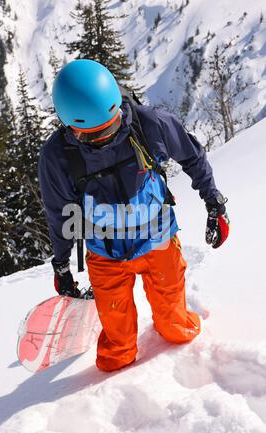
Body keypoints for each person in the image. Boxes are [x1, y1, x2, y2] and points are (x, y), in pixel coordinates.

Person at [38, 59, 230, 372]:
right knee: (117, 354)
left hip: (158, 241)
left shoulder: (150, 124)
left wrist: (214, 203)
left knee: (177, 330)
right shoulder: (57, 156)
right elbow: (59, 213)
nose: (103, 139)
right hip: (106, 253)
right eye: (90, 136)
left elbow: (193, 157)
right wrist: (61, 264)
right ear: (69, 126)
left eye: (110, 128)